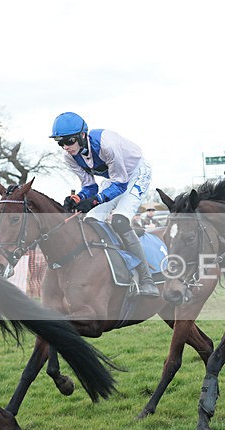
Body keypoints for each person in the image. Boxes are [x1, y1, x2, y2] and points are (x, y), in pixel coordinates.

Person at [51, 111, 159, 297]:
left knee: (119, 220)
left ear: (82, 136)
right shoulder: (70, 157)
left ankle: (146, 278)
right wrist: (79, 199)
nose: (65, 147)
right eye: (60, 143)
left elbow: (121, 184)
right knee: (92, 219)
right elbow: (89, 187)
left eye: (69, 141)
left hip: (135, 173)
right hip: (116, 177)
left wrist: (95, 200)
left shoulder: (106, 145)